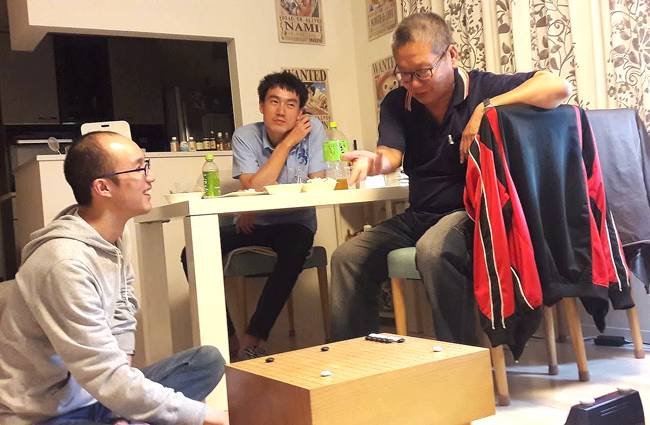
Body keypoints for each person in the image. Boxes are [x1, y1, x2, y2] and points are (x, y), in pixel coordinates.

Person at [330, 12, 571, 344]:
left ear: (451, 55)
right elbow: (391, 154)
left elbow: (558, 87)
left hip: (471, 215)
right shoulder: (398, 102)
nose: (413, 84)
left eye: (422, 72)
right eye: (404, 74)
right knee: (347, 257)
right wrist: (375, 162)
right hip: (420, 215)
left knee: (433, 250)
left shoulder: (482, 88)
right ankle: (356, 360)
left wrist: (486, 107)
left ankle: (461, 359)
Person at [0, 131, 229, 425]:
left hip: (95, 396)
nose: (150, 177)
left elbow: (122, 315)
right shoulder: (64, 263)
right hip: (46, 415)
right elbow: (103, 374)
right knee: (191, 414)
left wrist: (120, 408)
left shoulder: (112, 238)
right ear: (103, 187)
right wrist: (216, 418)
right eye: (139, 168)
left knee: (206, 361)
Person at [182, 71, 326, 360]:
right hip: (255, 222)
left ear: (300, 111)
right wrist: (288, 143)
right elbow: (254, 186)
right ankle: (228, 339)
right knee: (192, 252)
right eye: (274, 101)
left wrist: (255, 198)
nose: (281, 111)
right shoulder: (245, 135)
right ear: (261, 105)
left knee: (295, 248)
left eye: (290, 104)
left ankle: (254, 338)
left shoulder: (314, 129)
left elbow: (318, 184)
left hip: (295, 221)